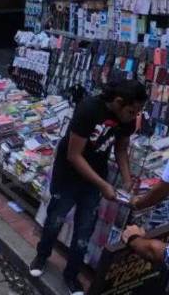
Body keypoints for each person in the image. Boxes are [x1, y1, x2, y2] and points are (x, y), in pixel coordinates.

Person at [29, 80, 148, 293]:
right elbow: (74, 155)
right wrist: (103, 185)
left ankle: (71, 275)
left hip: (94, 180)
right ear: (119, 102)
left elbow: (121, 149)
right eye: (132, 110)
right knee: (55, 220)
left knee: (85, 231)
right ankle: (42, 255)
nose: (134, 116)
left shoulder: (127, 120)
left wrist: (127, 180)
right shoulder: (89, 109)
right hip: (68, 176)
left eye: (138, 111)